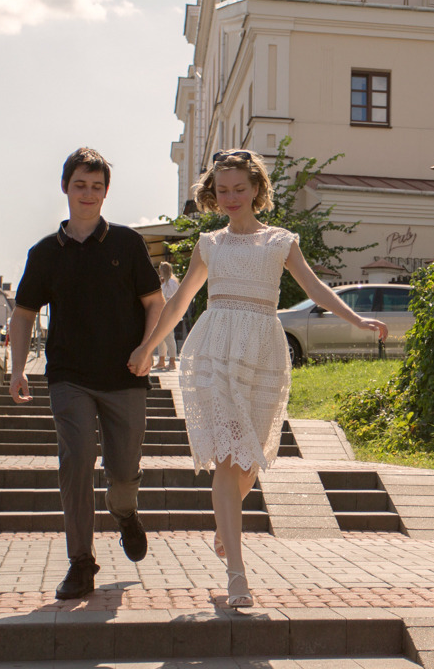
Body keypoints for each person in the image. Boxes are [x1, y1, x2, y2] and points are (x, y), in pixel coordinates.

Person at [133, 149, 386, 607]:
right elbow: (180, 302)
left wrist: (356, 318)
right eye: (222, 190)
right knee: (229, 460)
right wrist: (149, 346)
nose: (231, 197)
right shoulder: (209, 245)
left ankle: (223, 520)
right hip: (216, 349)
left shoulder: (281, 242)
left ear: (256, 190)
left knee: (248, 462)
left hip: (264, 352)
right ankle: (237, 575)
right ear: (214, 193)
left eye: (239, 189)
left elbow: (315, 288)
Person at [9, 147, 166, 600]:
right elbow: (22, 314)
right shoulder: (44, 253)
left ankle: (125, 512)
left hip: (125, 373)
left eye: (96, 187)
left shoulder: (126, 243)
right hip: (68, 375)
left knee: (122, 472)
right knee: (76, 460)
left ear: (106, 192)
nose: (88, 194)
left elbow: (154, 303)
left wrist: (147, 347)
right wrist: (18, 370)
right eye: (80, 185)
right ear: (65, 187)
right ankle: (81, 562)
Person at [154, 262, 180, 370]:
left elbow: (170, 299)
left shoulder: (172, 283)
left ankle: (172, 362)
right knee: (161, 337)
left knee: (169, 337)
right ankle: (161, 361)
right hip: (162, 313)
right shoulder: (165, 282)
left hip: (169, 313)